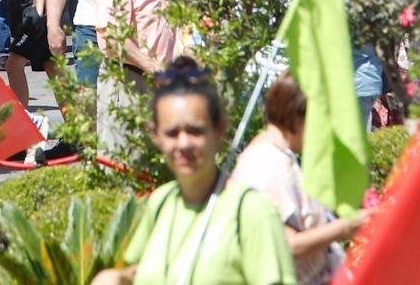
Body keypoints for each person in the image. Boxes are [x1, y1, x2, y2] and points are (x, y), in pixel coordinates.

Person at [93, 58, 297, 285]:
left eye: (195, 131)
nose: (183, 144)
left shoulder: (252, 212)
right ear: (155, 135)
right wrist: (116, 278)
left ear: (219, 129)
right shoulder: (161, 202)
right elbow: (144, 271)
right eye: (172, 133)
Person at [229, 73, 366, 285]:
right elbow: (288, 245)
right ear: (299, 116)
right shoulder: (267, 165)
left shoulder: (274, 155)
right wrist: (347, 227)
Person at [94, 0, 177, 153]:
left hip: (158, 83)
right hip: (130, 82)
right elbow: (111, 38)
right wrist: (154, 68)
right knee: (126, 164)